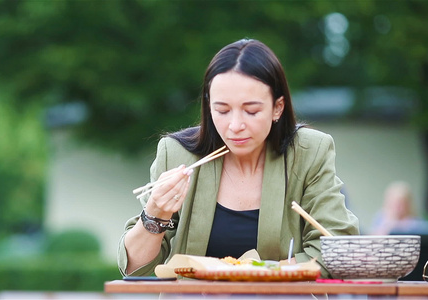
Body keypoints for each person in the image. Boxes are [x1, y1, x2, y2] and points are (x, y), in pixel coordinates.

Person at [118, 38, 359, 279]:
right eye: (222, 110)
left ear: (278, 107)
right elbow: (136, 268)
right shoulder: (179, 154)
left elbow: (338, 250)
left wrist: (251, 273)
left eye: (251, 111)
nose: (235, 126)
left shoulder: (308, 152)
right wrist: (155, 213)